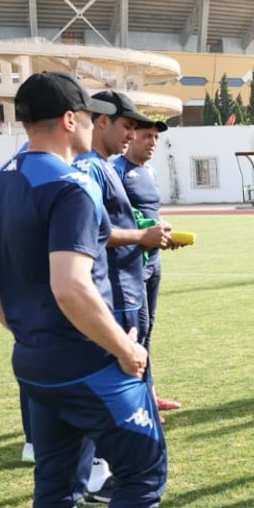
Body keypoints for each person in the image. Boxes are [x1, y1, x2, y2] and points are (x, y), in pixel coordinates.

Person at [0, 72, 170, 508]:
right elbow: (71, 286)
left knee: (55, 490)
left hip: (35, 363)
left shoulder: (2, 182)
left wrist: (30, 337)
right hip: (88, 365)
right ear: (69, 120)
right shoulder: (70, 187)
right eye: (88, 114)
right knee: (144, 475)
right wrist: (124, 349)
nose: (94, 122)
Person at [78, 91, 172, 502]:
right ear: (101, 122)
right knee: (111, 380)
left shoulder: (102, 168)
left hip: (128, 283)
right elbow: (97, 233)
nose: (135, 135)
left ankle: (104, 469)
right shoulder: (91, 170)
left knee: (125, 373)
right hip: (113, 289)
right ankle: (101, 473)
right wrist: (143, 236)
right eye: (129, 127)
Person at [113, 113, 179, 412]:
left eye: (156, 137)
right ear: (132, 137)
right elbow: (111, 224)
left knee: (148, 329)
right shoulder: (116, 171)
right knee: (133, 334)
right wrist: (143, 235)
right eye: (146, 135)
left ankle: (148, 394)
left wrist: (166, 230)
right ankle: (135, 403)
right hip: (129, 264)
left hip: (153, 261)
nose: (153, 142)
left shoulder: (149, 172)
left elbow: (149, 213)